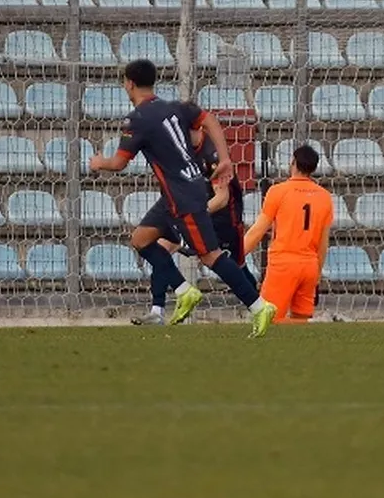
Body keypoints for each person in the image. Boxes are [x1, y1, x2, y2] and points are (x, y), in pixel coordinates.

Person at [90, 60, 276, 337]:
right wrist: (226, 158)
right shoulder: (176, 106)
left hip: (184, 197)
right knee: (140, 239)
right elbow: (210, 120)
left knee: (211, 257)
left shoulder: (136, 120)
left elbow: (118, 164)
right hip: (175, 195)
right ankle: (181, 291)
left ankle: (259, 306)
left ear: (129, 83)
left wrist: (98, 163)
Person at [132, 118, 257, 326]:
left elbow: (222, 198)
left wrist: (196, 213)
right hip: (193, 209)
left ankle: (258, 305)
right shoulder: (183, 151)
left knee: (235, 264)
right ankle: (157, 310)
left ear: (196, 129)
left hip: (224, 218)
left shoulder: (211, 153)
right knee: (161, 247)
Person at [243, 145, 333, 324]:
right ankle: (312, 324)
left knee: (266, 319)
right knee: (300, 321)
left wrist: (235, 257)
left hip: (283, 264)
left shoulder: (278, 191)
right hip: (310, 265)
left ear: (293, 163)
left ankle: (319, 323)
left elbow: (258, 230)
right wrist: (317, 274)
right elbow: (324, 243)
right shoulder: (324, 197)